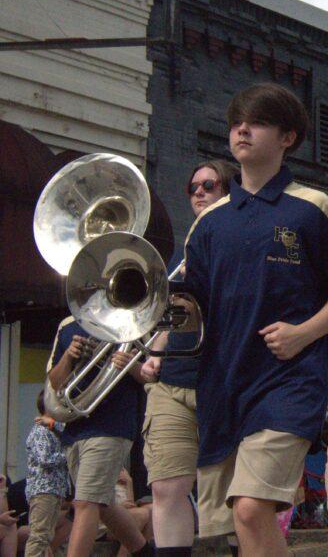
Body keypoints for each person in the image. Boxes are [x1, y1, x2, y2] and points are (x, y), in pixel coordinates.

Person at [180, 82, 328, 555]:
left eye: (258, 121)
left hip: (290, 380)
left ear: (287, 137)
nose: (243, 129)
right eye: (237, 121)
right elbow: (191, 309)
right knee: (239, 525)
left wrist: (302, 333)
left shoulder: (312, 207)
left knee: (250, 508)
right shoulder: (208, 222)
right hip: (222, 385)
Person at [139, 159, 236, 557]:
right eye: (193, 186)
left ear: (228, 191)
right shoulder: (183, 256)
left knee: (234, 499)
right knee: (166, 487)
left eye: (208, 185)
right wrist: (152, 353)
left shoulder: (240, 246)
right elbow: (174, 316)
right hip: (173, 383)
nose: (198, 191)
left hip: (223, 383)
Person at [45, 316, 152, 557]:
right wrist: (69, 355)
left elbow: (151, 374)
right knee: (101, 504)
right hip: (75, 427)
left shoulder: (134, 319)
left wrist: (130, 365)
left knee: (86, 502)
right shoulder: (67, 325)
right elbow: (55, 381)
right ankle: (144, 551)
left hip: (112, 426)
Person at [24, 392, 71, 557]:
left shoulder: (53, 429)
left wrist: (53, 424)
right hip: (43, 489)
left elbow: (71, 435)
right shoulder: (41, 431)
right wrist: (68, 454)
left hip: (55, 490)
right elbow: (45, 459)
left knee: (47, 536)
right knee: (39, 535)